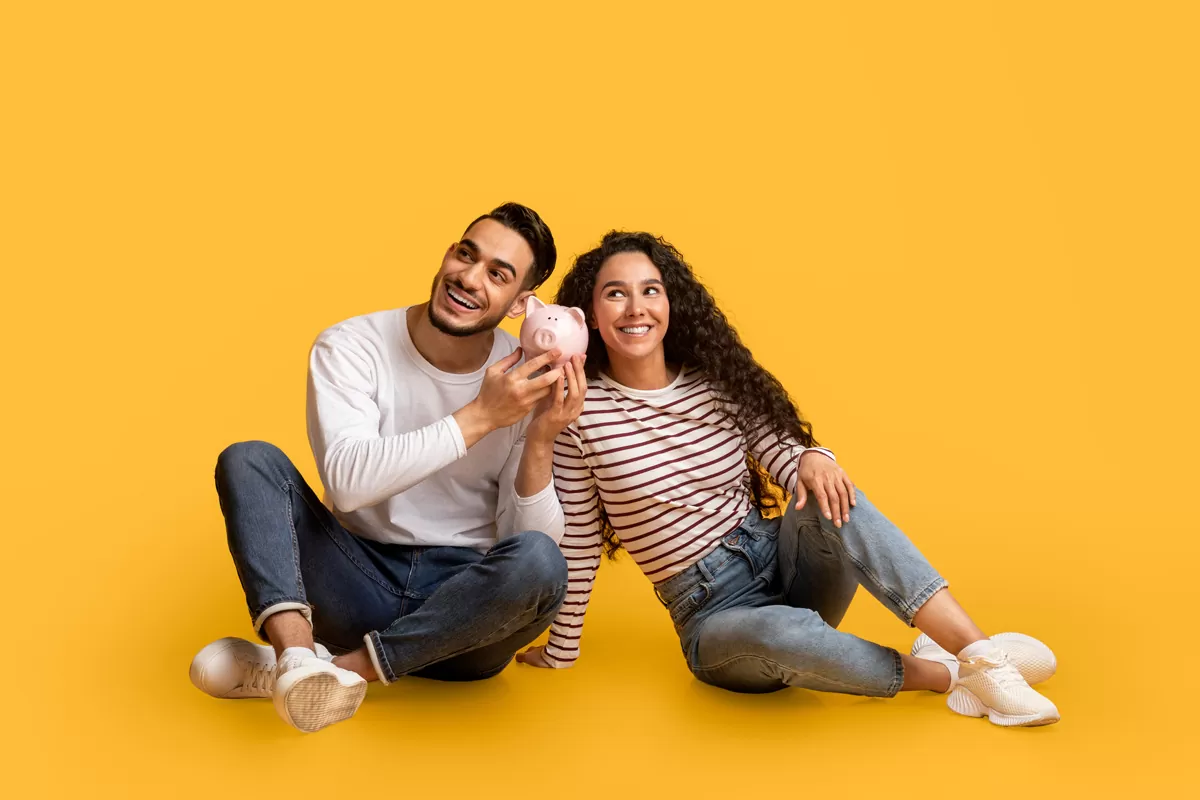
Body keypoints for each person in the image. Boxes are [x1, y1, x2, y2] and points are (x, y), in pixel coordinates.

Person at [516, 230, 1060, 727]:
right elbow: (580, 540)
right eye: (615, 294)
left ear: (671, 303)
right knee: (781, 634)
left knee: (829, 492)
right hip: (713, 615)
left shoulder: (714, 382)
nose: (636, 308)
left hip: (785, 560)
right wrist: (562, 649)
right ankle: (949, 676)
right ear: (589, 315)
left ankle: (982, 656)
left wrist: (814, 457)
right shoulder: (577, 413)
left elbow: (783, 452)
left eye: (650, 291)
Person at [189, 203, 588, 733]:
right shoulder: (352, 345)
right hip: (354, 581)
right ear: (447, 254)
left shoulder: (525, 377)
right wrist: (480, 416)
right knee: (249, 460)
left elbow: (527, 543)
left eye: (497, 274)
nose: (469, 278)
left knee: (541, 559)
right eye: (466, 255)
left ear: (520, 303)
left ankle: (331, 671)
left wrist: (540, 436)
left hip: (464, 618)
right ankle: (299, 656)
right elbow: (348, 485)